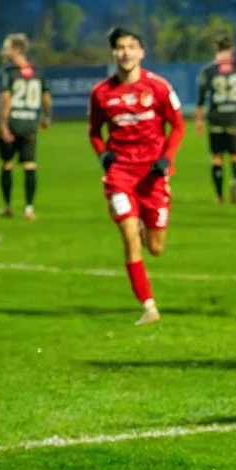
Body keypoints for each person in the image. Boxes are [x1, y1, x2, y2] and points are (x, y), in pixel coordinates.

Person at [87, 27, 185, 326]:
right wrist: (102, 154)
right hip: (120, 176)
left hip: (152, 176)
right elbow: (94, 132)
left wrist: (166, 159)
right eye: (120, 47)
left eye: (131, 46)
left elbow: (178, 126)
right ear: (113, 52)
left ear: (142, 52)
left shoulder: (159, 87)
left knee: (155, 248)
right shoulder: (101, 92)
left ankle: (144, 222)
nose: (125, 52)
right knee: (130, 240)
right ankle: (149, 306)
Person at [195, 34, 236, 205]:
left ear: (215, 47)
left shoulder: (208, 70)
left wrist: (199, 120)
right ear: (232, 48)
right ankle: (235, 179)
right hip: (235, 116)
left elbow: (201, 97)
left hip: (216, 117)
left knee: (217, 157)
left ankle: (219, 196)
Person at [0, 33, 51, 219]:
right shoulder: (37, 72)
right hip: (30, 124)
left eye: (7, 47)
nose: (4, 51)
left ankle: (7, 207)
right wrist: (46, 118)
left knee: (7, 164)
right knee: (29, 165)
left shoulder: (8, 72)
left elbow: (6, 100)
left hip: (12, 122)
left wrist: (3, 124)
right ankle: (29, 208)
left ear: (17, 50)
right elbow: (46, 98)